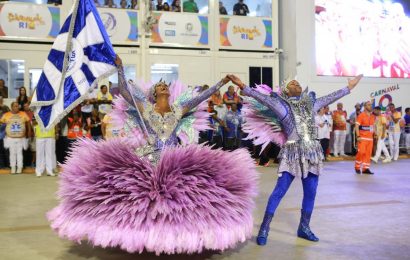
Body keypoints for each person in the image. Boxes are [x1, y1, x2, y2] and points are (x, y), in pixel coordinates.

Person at [47, 55, 257, 255]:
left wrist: (221, 82)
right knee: (146, 201)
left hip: (174, 158)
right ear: (155, 93)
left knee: (183, 200)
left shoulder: (178, 109)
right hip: (148, 157)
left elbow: (202, 96)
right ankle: (141, 237)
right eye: (159, 86)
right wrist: (120, 68)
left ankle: (186, 237)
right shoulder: (145, 109)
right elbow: (126, 93)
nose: (164, 86)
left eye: (165, 85)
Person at [228, 73, 363, 244]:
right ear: (286, 90)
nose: (297, 84)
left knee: (311, 192)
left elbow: (331, 97)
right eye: (292, 83)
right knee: (279, 191)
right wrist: (243, 86)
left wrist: (349, 87)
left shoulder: (311, 103)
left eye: (298, 83)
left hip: (313, 152)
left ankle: (304, 228)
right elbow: (262, 98)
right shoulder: (281, 104)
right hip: (292, 152)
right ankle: (264, 228)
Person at [0, 102, 31, 174]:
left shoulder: (23, 113)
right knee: (12, 153)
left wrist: (29, 131)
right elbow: (1, 122)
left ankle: (19, 167)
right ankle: (13, 167)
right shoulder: (6, 115)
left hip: (20, 138)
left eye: (18, 106)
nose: (17, 107)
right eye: (15, 106)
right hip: (10, 138)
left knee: (19, 153)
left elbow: (28, 122)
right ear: (12, 107)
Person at [355, 101, 376, 174]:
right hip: (362, 138)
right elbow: (357, 126)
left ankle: (365, 168)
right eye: (369, 105)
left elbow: (373, 126)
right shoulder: (361, 115)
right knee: (361, 152)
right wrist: (358, 136)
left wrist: (375, 133)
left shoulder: (373, 116)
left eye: (371, 105)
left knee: (368, 154)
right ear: (365, 106)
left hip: (370, 139)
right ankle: (357, 167)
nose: (370, 106)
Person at [0, 97, 10, 168]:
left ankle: (8, 164)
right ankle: (1, 165)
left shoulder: (6, 107)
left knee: (6, 149)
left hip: (5, 131)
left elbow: (10, 116)